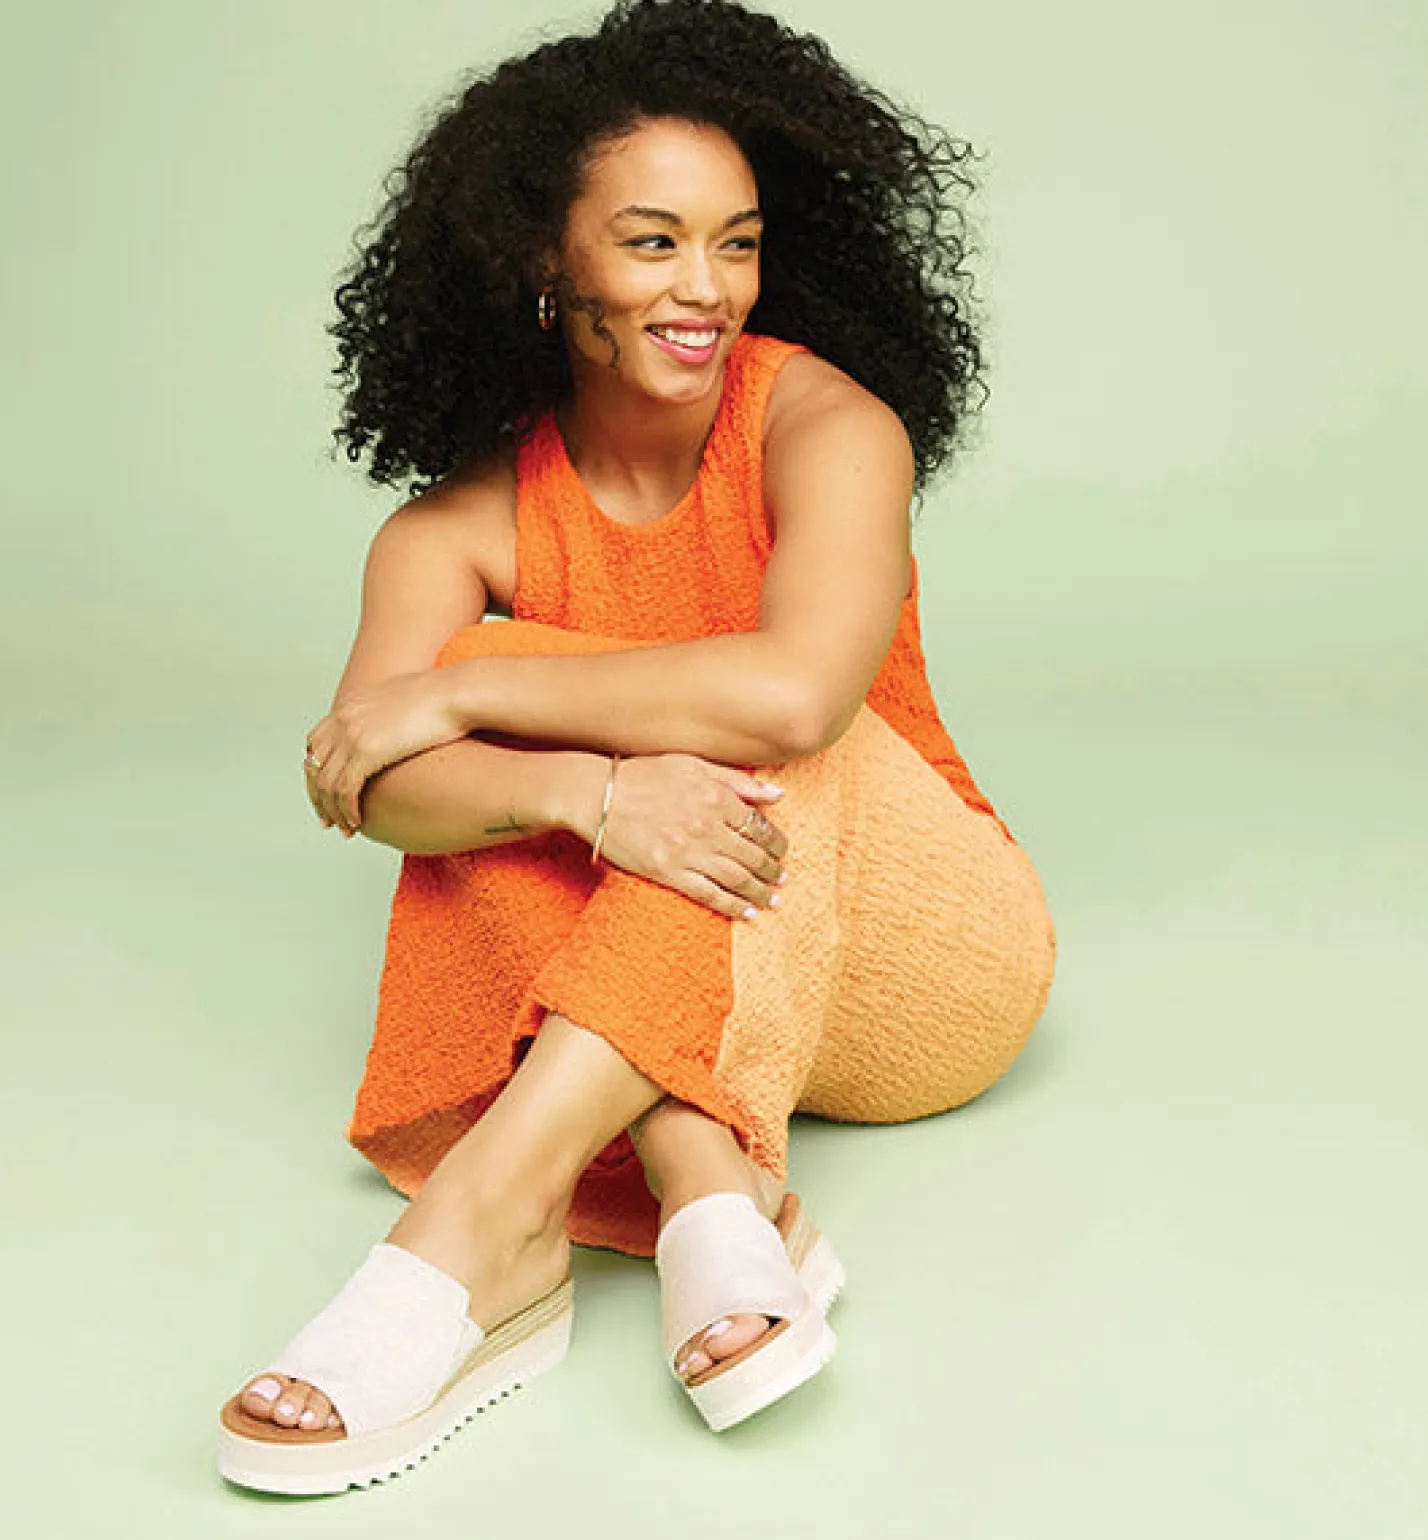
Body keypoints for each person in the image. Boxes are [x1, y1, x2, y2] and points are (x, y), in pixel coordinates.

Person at [216, 0, 1056, 1494]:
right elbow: (370, 784)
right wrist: (583, 793)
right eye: (653, 242)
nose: (707, 288)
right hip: (723, 992)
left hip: (924, 956)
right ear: (546, 264)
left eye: (737, 243)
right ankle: (702, 1177)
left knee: (680, 727)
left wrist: (469, 693)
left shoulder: (827, 424)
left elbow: (792, 703)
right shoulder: (456, 523)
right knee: (593, 787)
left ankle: (482, 1226)